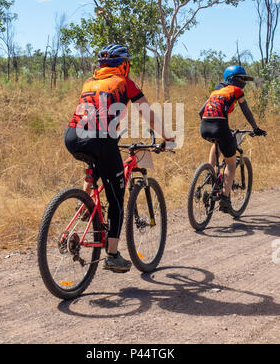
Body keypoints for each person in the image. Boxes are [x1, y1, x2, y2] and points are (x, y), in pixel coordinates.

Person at [64, 44, 174, 273]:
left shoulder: (90, 81)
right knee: (116, 199)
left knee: (95, 164)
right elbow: (147, 114)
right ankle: (112, 255)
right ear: (122, 64)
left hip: (72, 137)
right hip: (101, 139)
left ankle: (84, 204)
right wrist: (167, 136)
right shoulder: (125, 82)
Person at [199, 64, 266, 213]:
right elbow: (246, 111)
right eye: (241, 78)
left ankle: (211, 174)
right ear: (232, 79)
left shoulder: (216, 90)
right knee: (230, 162)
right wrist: (255, 127)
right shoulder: (236, 91)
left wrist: (209, 122)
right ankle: (225, 197)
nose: (243, 82)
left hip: (204, 126)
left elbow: (200, 111)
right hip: (220, 125)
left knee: (216, 144)